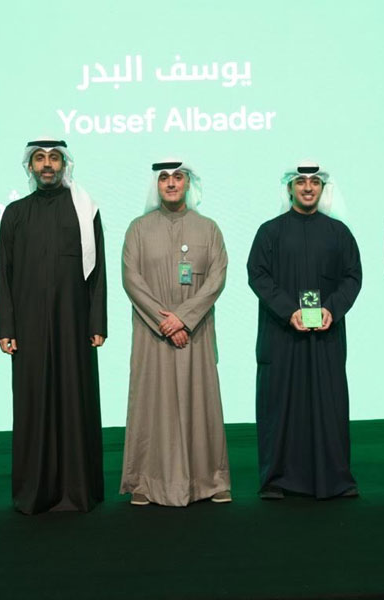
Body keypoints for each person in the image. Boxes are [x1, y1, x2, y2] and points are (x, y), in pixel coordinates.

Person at [0, 138, 107, 514]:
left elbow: (98, 272)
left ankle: (78, 490)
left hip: (75, 325)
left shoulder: (85, 211)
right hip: (27, 327)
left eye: (54, 158)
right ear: (30, 166)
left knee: (76, 401)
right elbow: (5, 275)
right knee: (32, 402)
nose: (47, 165)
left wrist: (97, 322)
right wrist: (6, 328)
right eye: (40, 159)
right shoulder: (15, 213)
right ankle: (35, 491)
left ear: (64, 164)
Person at [246, 160, 362, 500]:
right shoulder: (269, 232)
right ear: (290, 188)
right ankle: (277, 480)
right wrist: (288, 311)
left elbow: (352, 276)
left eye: (314, 182)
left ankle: (333, 479)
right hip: (282, 335)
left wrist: (331, 309)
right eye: (301, 182)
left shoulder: (339, 233)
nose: (308, 188)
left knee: (328, 406)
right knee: (280, 406)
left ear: (323, 188)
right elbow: (258, 275)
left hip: (326, 334)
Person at [119, 159, 232, 507]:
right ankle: (145, 482)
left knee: (201, 402)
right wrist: (165, 322)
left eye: (177, 177)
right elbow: (131, 280)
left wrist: (183, 318)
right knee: (151, 404)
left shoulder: (209, 229)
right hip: (152, 334)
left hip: (196, 334)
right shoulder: (138, 229)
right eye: (164, 178)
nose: (171, 183)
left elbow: (217, 278)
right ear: (156, 185)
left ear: (187, 183)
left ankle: (211, 481)